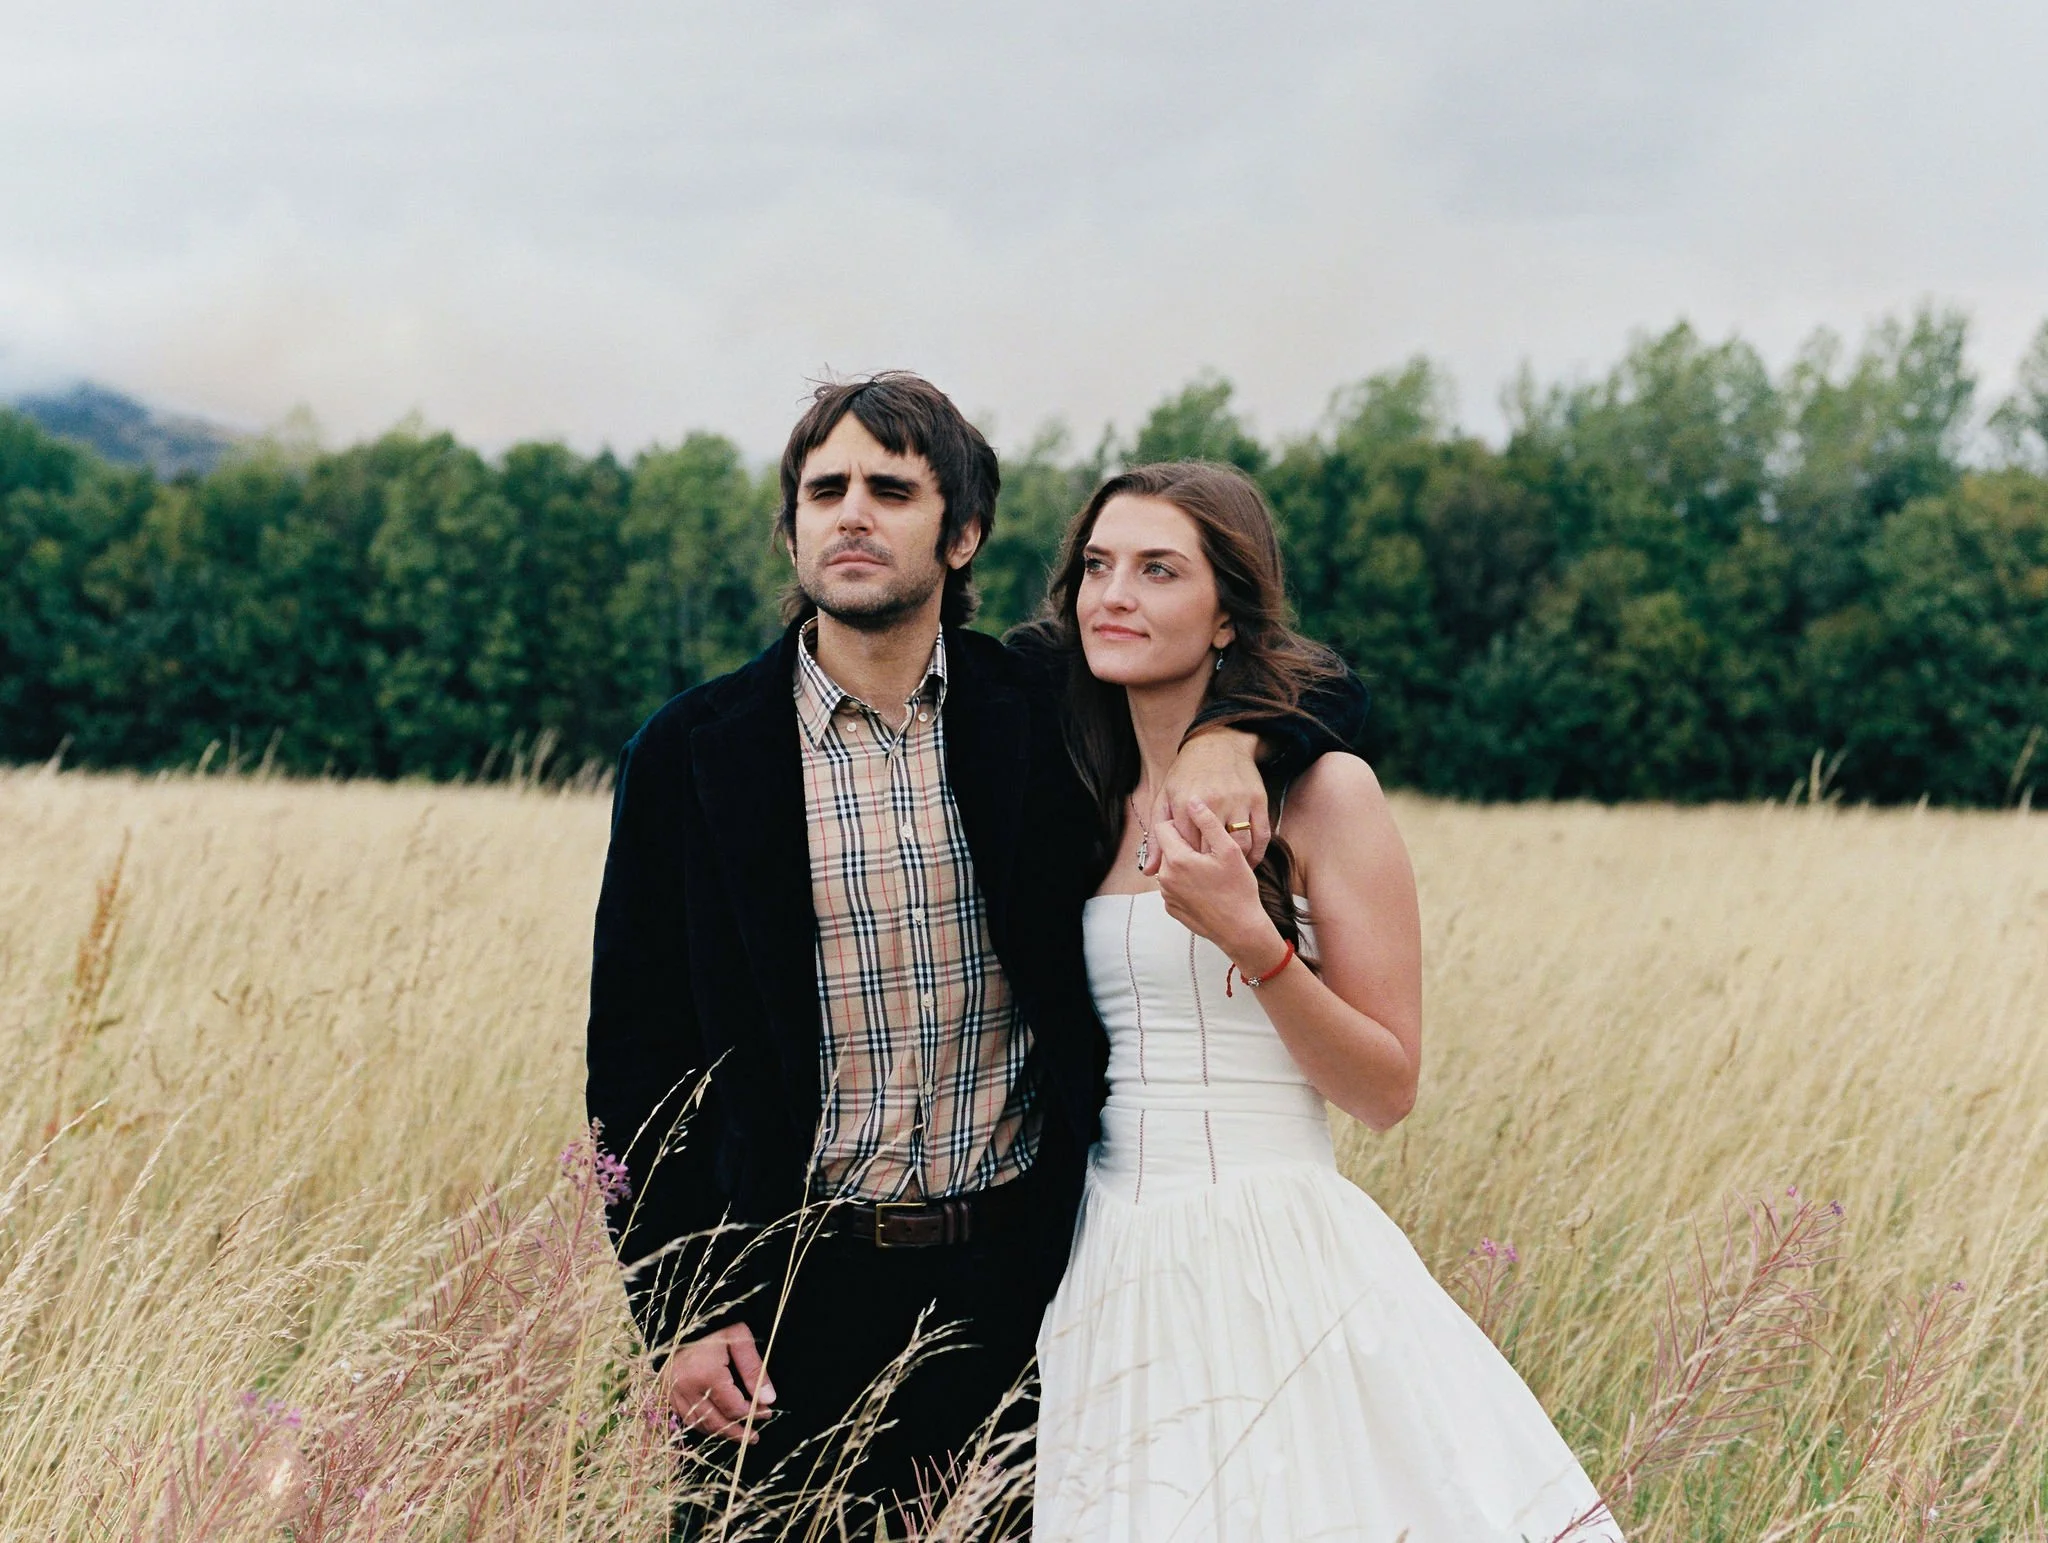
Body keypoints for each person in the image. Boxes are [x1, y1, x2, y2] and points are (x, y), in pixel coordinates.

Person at [583, 375, 1366, 1525]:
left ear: (961, 534)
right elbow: (635, 1060)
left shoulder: (1040, 706)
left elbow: (1324, 681)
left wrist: (1227, 738)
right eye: (824, 491)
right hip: (785, 1300)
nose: (852, 514)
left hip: (1020, 1291)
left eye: (890, 490)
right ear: (791, 529)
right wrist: (683, 1311)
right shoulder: (690, 753)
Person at [1031, 461, 1621, 1541]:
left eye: (1158, 570)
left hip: (1266, 1249)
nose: (1113, 595)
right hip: (1107, 1258)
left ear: (1225, 617)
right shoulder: (1083, 789)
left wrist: (1252, 941)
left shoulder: (1325, 791)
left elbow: (1386, 1088)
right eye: (1098, 566)